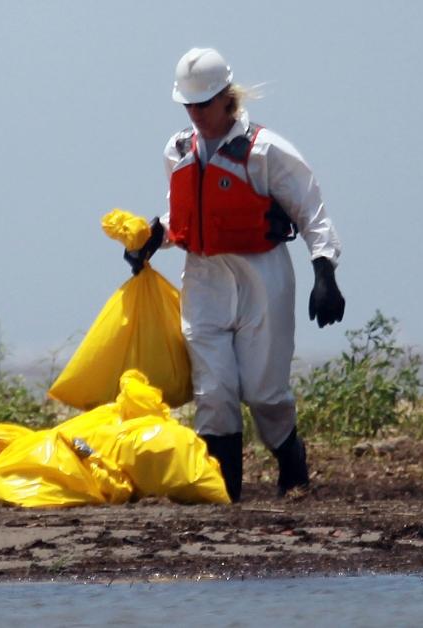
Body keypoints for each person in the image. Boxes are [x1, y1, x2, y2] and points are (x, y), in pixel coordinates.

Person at [125, 48, 345, 502]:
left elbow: (311, 211)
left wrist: (325, 272)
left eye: (203, 104)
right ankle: (224, 496)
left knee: (265, 392)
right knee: (215, 391)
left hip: (260, 277)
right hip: (203, 279)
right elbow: (182, 214)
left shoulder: (266, 151)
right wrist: (152, 237)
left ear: (228, 99)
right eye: (188, 105)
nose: (195, 114)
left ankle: (292, 463)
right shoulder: (178, 150)